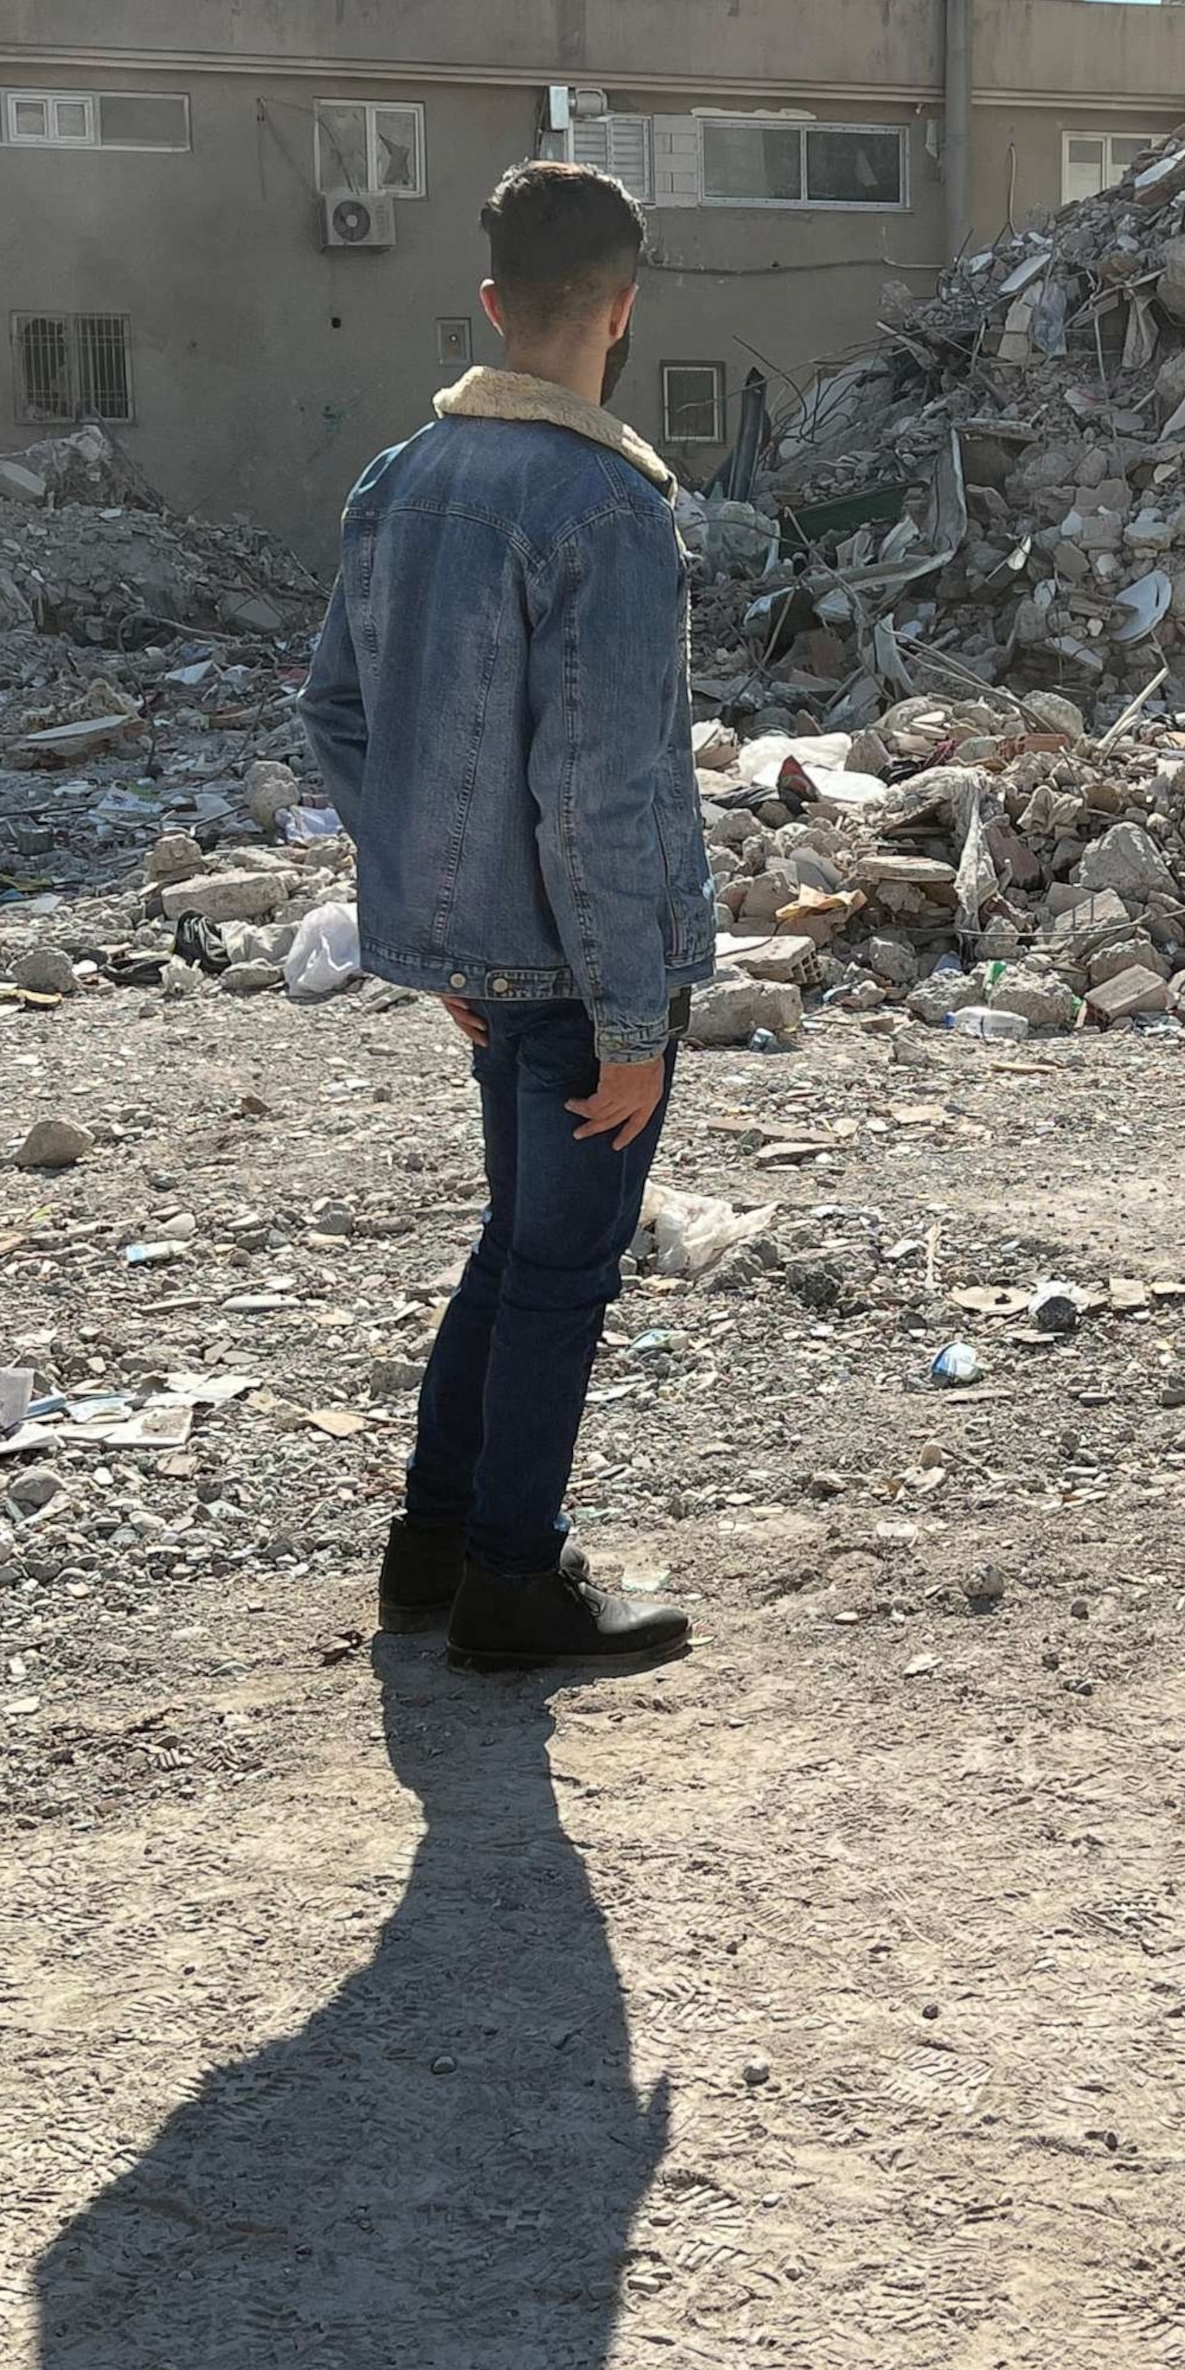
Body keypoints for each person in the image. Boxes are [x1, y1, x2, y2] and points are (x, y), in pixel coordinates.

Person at [301, 161, 712, 1670]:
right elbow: (598, 794)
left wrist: (436, 923)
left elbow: (339, 716)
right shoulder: (607, 503)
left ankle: (434, 1546)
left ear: (491, 304)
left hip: (487, 961)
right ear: (620, 310)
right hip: (579, 970)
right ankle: (511, 1585)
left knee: (514, 1245)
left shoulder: (395, 481)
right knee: (558, 1268)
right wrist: (628, 1018)